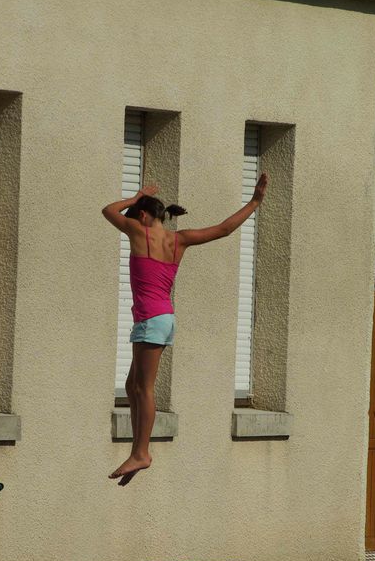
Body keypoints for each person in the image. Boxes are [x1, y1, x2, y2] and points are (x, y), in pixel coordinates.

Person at [102, 173, 268, 486]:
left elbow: (108, 210)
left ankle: (141, 452)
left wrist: (135, 196)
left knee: (144, 388)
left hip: (151, 318)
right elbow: (224, 229)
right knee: (131, 386)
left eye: (135, 211)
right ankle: (139, 451)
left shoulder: (139, 232)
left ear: (142, 215)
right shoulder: (179, 240)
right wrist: (254, 202)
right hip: (161, 319)